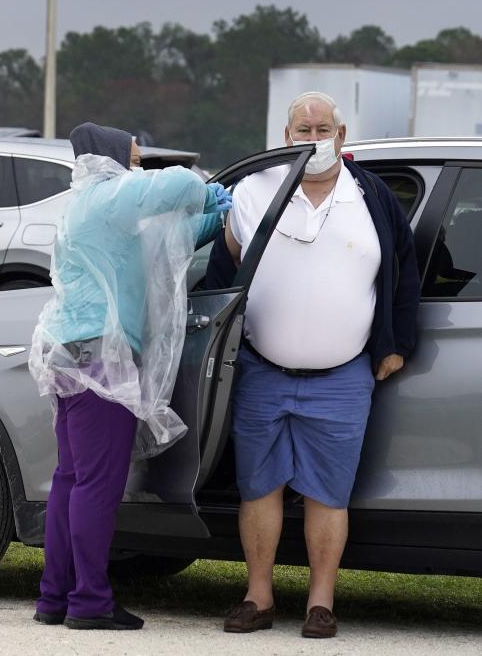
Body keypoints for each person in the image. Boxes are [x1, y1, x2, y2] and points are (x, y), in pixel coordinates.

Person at [214, 92, 419, 639]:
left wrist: (396, 344)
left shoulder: (371, 195)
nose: (312, 140)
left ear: (342, 135)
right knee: (259, 488)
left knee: (330, 493)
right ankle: (257, 597)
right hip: (262, 370)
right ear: (285, 137)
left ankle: (320, 605)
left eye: (322, 129)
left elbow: (404, 271)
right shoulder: (253, 191)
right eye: (302, 131)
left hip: (344, 375)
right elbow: (223, 267)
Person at [28, 123, 228, 631]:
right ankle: (90, 602)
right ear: (112, 158)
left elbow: (166, 242)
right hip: (100, 357)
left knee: (71, 479)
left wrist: (217, 217)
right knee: (97, 485)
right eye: (135, 158)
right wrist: (213, 190)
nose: (139, 167)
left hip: (71, 354)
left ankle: (55, 597)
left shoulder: (90, 208)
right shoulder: (109, 196)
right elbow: (181, 184)